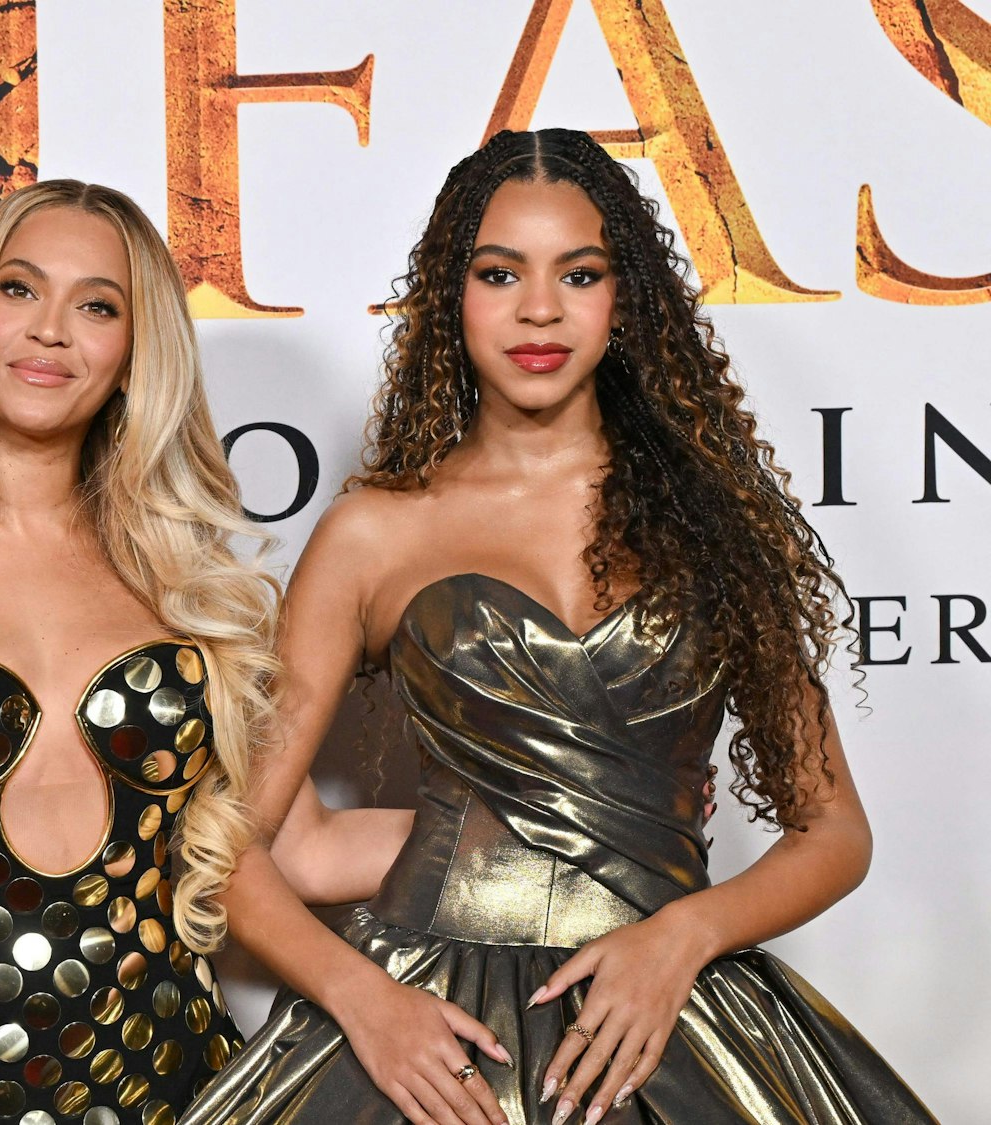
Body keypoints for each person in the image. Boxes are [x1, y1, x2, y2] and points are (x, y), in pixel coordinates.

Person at [184, 128, 939, 1125]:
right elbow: (228, 846)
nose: (537, 308)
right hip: (425, 1029)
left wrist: (682, 937)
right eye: (499, 273)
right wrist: (364, 1001)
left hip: (665, 1012)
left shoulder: (712, 516)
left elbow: (830, 832)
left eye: (576, 274)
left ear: (622, 297)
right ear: (451, 297)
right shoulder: (372, 533)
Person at [0, 179, 409, 1125]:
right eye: (18, 289)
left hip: (170, 1082)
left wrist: (578, 821)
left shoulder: (185, 589)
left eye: (96, 305)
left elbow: (307, 848)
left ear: (132, 354)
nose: (50, 330)